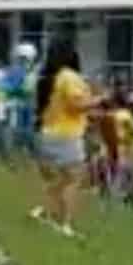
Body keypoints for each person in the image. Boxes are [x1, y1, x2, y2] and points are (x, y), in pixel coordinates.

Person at [31, 40, 93, 237]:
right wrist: (100, 100)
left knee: (63, 178)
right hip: (66, 135)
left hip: (46, 134)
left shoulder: (48, 77)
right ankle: (65, 224)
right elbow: (77, 104)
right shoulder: (70, 77)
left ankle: (44, 210)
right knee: (74, 179)